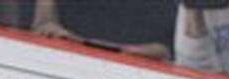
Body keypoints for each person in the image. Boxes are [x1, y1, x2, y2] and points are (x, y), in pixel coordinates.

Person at [32, 0, 178, 60]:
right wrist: (46, 21)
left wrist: (164, 52)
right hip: (64, 55)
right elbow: (44, 20)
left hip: (140, 73)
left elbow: (183, 49)